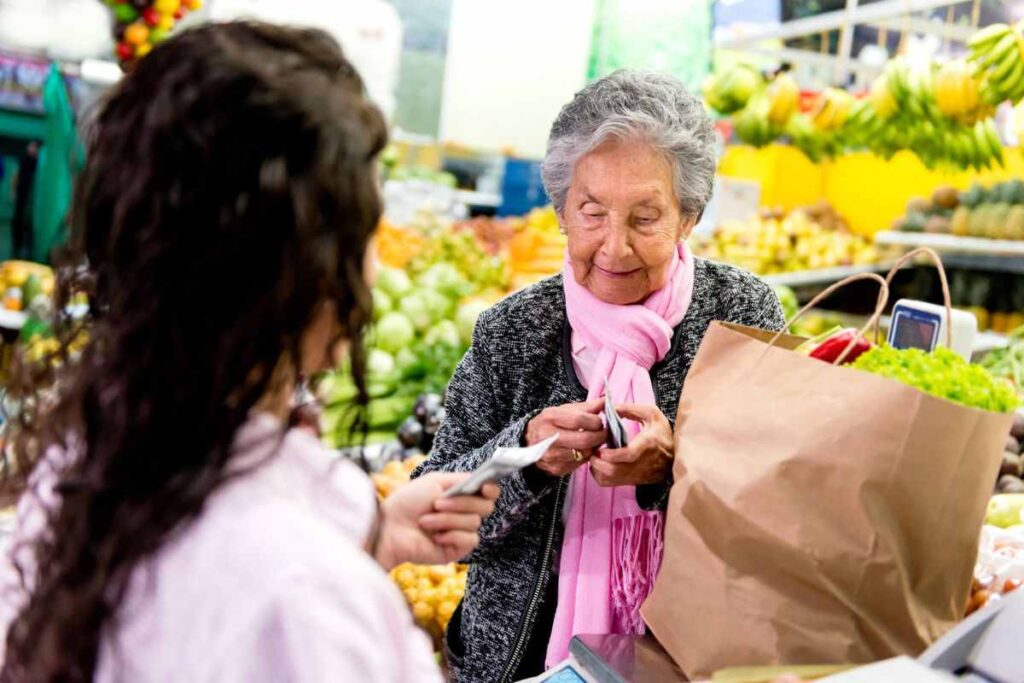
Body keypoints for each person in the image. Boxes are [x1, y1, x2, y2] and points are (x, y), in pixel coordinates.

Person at [0, 22, 498, 682]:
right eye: (367, 234)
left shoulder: (81, 463)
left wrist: (378, 532)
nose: (375, 269)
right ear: (301, 274)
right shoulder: (309, 598)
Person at [416, 70, 787, 682]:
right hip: (513, 663)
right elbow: (437, 513)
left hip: (687, 660)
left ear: (689, 217)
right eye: (592, 213)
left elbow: (780, 509)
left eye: (645, 218)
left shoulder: (741, 315)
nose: (614, 248)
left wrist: (672, 471)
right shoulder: (513, 331)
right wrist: (525, 454)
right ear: (562, 211)